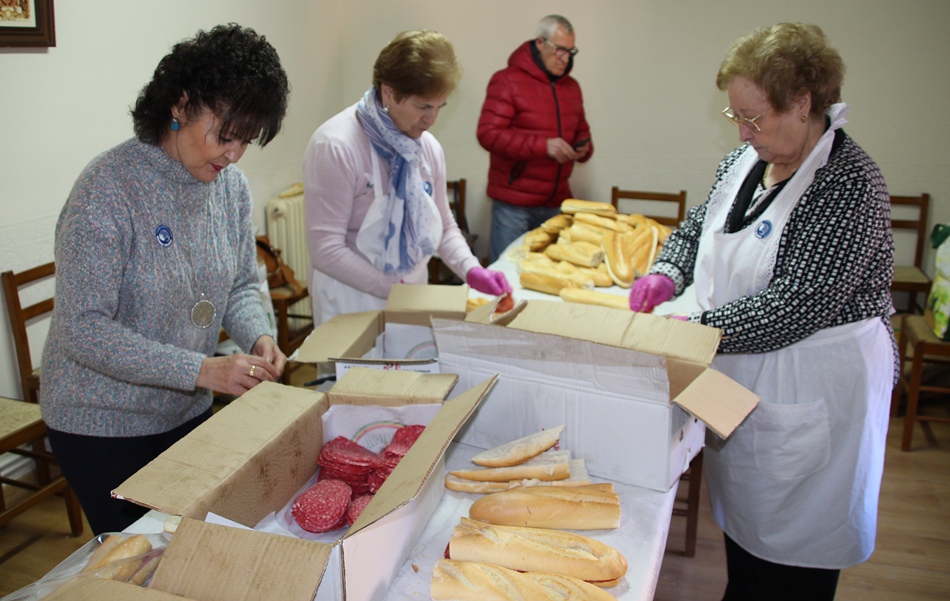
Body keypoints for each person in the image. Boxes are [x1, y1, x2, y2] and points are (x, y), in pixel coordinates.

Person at [628, 23, 894, 601]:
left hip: (815, 388)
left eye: (756, 118)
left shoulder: (847, 185)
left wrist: (693, 329)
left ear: (803, 104)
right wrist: (666, 272)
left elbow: (797, 305)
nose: (745, 132)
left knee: (794, 564)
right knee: (748, 546)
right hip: (748, 379)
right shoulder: (744, 162)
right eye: (737, 118)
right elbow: (700, 226)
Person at [40, 24, 290, 535]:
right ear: (180, 104)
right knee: (141, 563)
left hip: (185, 411)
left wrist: (259, 334)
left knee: (195, 544)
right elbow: (82, 329)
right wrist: (203, 370)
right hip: (101, 424)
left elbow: (241, 283)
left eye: (246, 140)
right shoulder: (106, 190)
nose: (234, 153)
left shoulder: (230, 187)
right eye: (225, 134)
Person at [304, 30, 510, 326]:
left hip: (410, 293)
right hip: (350, 299)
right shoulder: (336, 145)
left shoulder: (426, 148)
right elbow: (326, 249)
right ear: (388, 92)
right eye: (424, 106)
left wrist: (471, 269)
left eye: (440, 106)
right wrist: (393, 290)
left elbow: (444, 224)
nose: (432, 119)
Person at [478, 14, 593, 263]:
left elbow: (582, 131)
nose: (565, 58)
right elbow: (488, 134)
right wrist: (543, 146)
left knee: (546, 278)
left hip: (556, 202)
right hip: (514, 205)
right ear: (540, 43)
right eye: (559, 50)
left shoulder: (571, 87)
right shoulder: (506, 80)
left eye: (570, 51)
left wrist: (583, 147)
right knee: (505, 279)